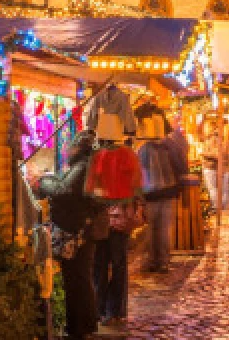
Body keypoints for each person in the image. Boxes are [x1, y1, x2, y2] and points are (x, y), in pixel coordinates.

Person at [37, 131, 100, 340]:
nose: (67, 150)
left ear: (79, 148)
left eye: (71, 146)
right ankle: (87, 323)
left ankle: (78, 328)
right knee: (81, 278)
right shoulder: (85, 166)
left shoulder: (82, 166)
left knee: (76, 279)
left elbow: (64, 190)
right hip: (80, 230)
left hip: (75, 232)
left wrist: (43, 182)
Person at [92, 116, 139, 328]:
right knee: (114, 267)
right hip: (115, 222)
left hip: (108, 221)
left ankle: (103, 310)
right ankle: (112, 310)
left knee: (103, 266)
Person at [137, 115, 188, 273]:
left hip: (150, 195)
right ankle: (163, 261)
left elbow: (139, 174)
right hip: (168, 193)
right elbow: (182, 167)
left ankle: (152, 261)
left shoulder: (143, 149)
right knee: (164, 229)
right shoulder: (172, 146)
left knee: (151, 229)